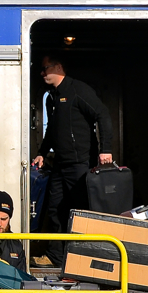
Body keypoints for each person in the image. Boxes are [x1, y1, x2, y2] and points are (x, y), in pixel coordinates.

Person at [30, 54, 114, 265]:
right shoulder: (51, 98)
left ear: (58, 67)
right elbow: (52, 131)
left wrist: (106, 149)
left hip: (80, 164)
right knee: (55, 208)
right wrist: (41, 152)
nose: (42, 73)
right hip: (60, 164)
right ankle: (55, 257)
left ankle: (82, 259)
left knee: (80, 211)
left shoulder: (78, 90)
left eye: (46, 68)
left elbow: (102, 114)